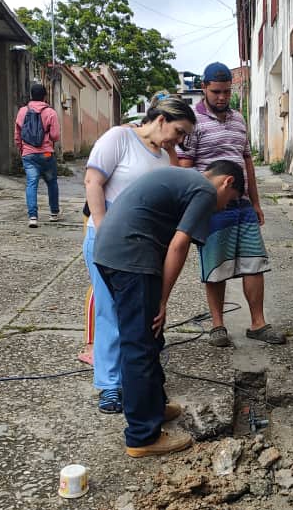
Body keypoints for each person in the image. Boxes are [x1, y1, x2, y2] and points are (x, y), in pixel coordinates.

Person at [93, 161, 245, 457]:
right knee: (139, 344)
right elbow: (179, 245)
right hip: (131, 256)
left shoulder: (185, 179)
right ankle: (141, 437)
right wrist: (162, 300)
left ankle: (154, 406)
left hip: (111, 251)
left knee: (150, 336)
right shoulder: (204, 190)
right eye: (232, 201)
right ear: (227, 182)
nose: (225, 207)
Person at [83, 97, 193, 413]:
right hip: (109, 241)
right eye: (178, 131)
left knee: (139, 315)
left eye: (184, 136)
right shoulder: (120, 138)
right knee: (110, 312)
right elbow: (93, 182)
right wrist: (104, 230)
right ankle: (109, 385)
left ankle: (135, 381)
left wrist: (171, 149)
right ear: (160, 119)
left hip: (142, 247)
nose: (180, 140)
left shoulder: (162, 155)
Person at [177, 61, 286, 348]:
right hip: (213, 207)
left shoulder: (239, 119)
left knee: (254, 262)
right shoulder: (193, 123)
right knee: (216, 266)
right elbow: (186, 167)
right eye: (216, 92)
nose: (222, 97)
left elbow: (247, 161)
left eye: (226, 91)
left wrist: (257, 202)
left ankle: (258, 324)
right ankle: (217, 325)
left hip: (243, 205)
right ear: (204, 88)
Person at [14, 83, 62, 228]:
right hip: (46, 153)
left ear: (31, 95)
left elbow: (17, 134)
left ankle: (33, 217)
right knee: (51, 182)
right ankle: (54, 213)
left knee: (31, 183)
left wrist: (22, 148)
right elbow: (55, 136)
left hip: (28, 154)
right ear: (45, 96)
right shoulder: (51, 112)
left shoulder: (22, 111)